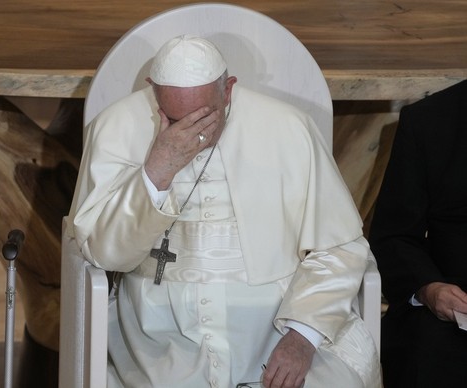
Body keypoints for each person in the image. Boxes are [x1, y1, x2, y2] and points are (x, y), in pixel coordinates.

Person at [68, 35, 381, 388]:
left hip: (276, 325)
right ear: (152, 91)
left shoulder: (289, 127)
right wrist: (157, 169)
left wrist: (302, 337)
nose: (193, 135)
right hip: (158, 338)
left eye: (205, 117)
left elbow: (342, 247)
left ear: (228, 90)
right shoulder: (114, 127)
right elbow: (105, 253)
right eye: (174, 118)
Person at [369, 80, 467, 387]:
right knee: (426, 350)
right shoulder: (430, 120)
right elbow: (393, 235)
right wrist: (429, 288)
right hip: (453, 303)